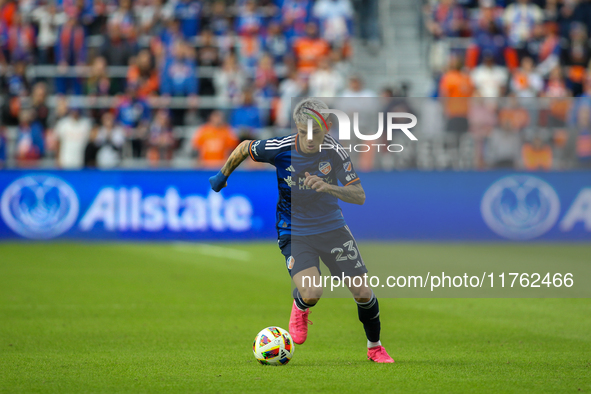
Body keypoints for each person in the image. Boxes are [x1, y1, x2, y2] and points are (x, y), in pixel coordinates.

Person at [208, 98, 394, 363]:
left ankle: (374, 347)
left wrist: (329, 187)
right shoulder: (280, 147)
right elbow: (244, 148)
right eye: (302, 131)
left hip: (332, 228)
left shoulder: (334, 150)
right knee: (312, 292)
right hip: (294, 229)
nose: (308, 139)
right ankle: (301, 305)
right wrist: (222, 176)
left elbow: (359, 195)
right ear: (296, 126)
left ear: (327, 128)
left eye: (315, 133)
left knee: (363, 292)